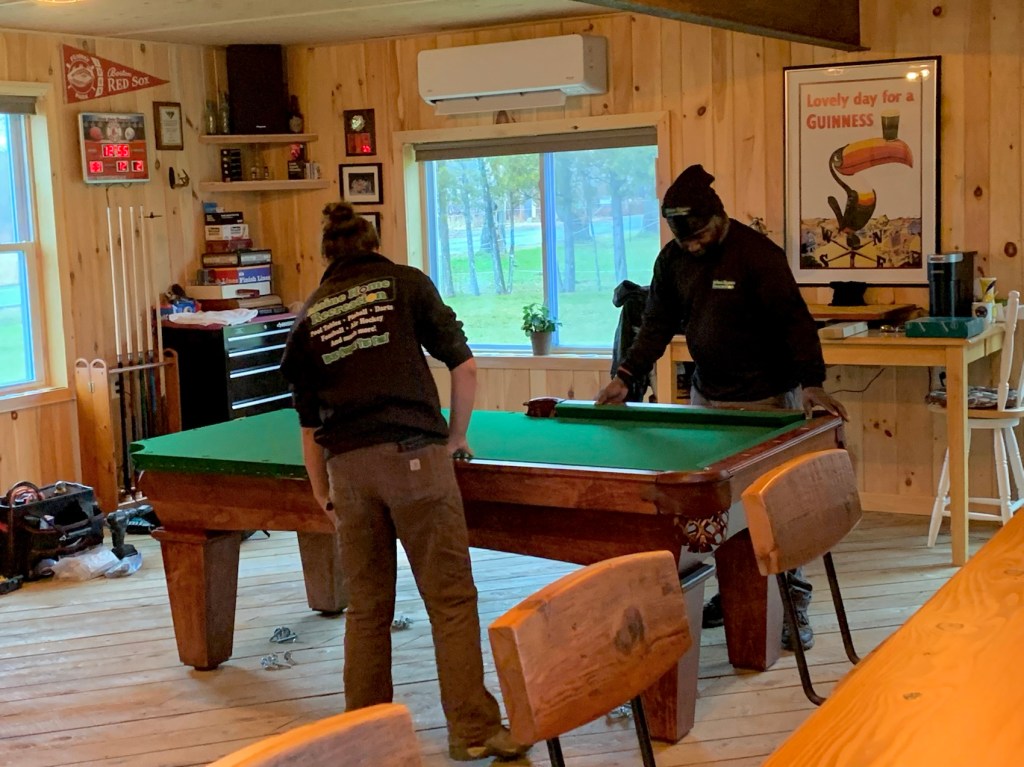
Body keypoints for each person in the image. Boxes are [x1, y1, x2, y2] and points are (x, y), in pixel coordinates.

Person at [280, 202, 530, 762]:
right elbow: (465, 366)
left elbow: (309, 422)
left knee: (367, 609)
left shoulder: (311, 313)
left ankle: (365, 739)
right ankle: (473, 730)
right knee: (450, 599)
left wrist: (320, 489)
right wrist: (456, 436)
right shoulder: (405, 284)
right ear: (372, 245)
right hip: (415, 458)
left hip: (347, 471)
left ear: (328, 256)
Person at [595, 164, 848, 651]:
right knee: (720, 507)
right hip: (707, 398)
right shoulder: (673, 260)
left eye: (699, 236)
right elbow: (656, 324)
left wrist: (812, 384)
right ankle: (736, 589)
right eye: (683, 238)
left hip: (766, 399)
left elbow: (795, 323)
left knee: (775, 509)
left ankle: (791, 599)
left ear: (719, 217)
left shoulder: (758, 255)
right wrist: (625, 376)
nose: (692, 246)